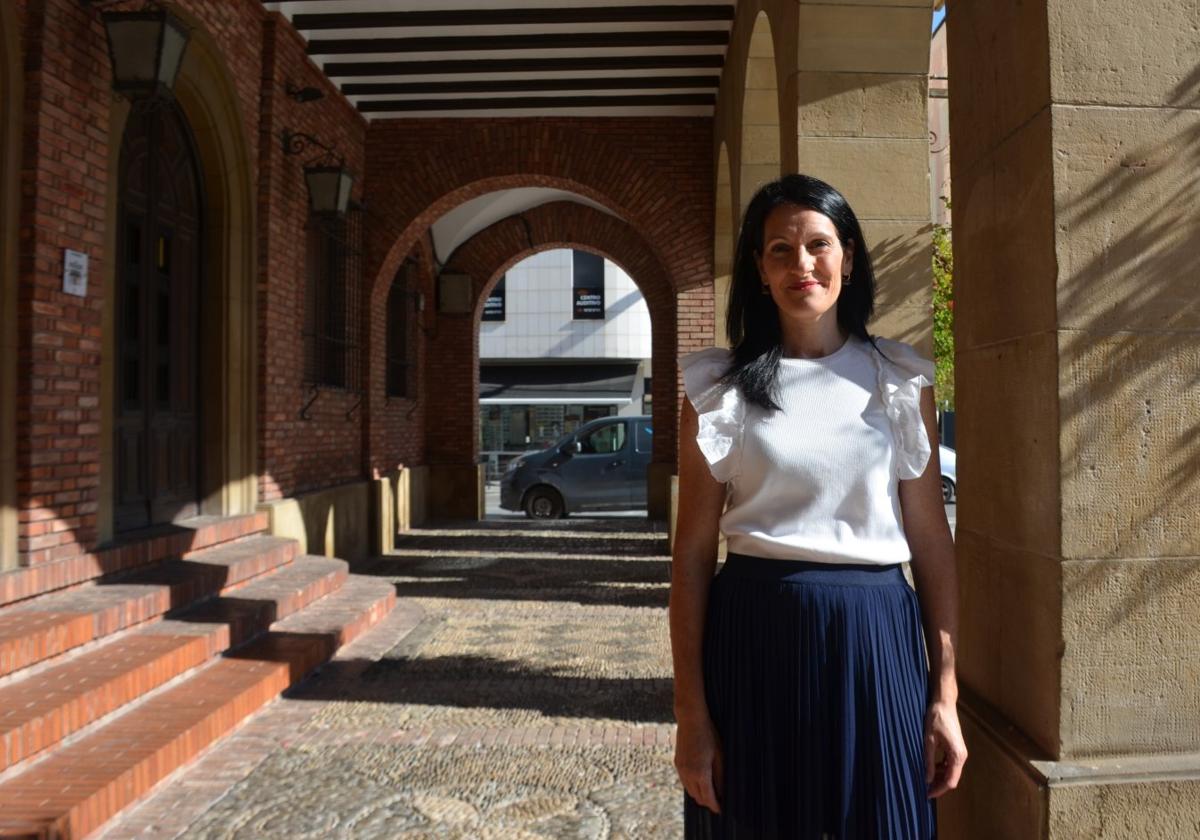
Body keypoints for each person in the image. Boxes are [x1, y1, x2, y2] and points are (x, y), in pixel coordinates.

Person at [670, 173, 967, 839]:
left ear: (850, 255)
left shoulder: (899, 380)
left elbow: (932, 545)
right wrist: (691, 712)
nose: (801, 264)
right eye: (780, 249)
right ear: (759, 268)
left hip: (876, 643)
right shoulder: (719, 392)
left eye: (818, 245)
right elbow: (691, 556)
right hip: (753, 641)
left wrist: (945, 696)